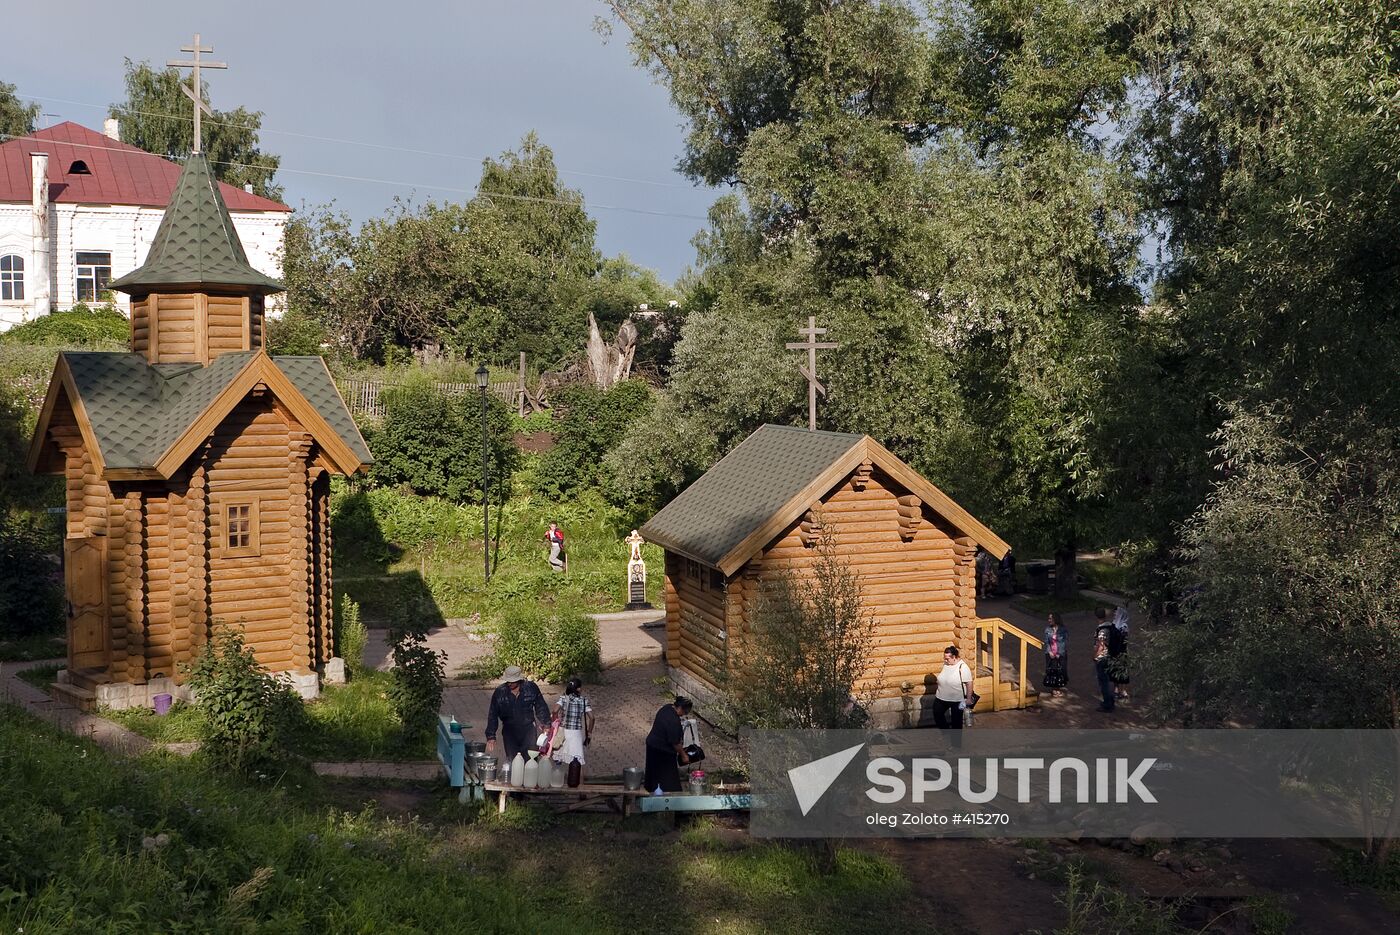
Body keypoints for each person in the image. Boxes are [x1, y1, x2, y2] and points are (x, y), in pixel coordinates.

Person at [485, 665, 551, 760]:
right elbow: (493, 714)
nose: (510, 684)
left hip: (528, 729)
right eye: (508, 681)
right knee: (513, 760)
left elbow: (541, 706)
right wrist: (491, 735)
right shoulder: (500, 692)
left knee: (531, 759)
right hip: (509, 730)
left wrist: (546, 724)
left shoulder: (531, 688)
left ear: (519, 680)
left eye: (512, 681)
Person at [644, 696, 693, 793]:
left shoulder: (667, 708)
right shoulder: (673, 721)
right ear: (680, 708)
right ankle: (670, 795)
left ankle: (651, 789)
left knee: (653, 772)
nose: (684, 715)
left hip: (652, 744)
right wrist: (684, 755)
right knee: (668, 777)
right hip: (663, 751)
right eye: (685, 712)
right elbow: (675, 743)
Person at [553, 677, 594, 781]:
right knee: (578, 760)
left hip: (563, 732)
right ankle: (581, 790)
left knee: (558, 759)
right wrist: (589, 732)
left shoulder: (563, 698)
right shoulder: (584, 701)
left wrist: (555, 722)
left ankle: (556, 783)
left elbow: (555, 710)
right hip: (576, 733)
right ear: (579, 689)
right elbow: (592, 717)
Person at [932, 646, 973, 731]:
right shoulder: (946, 664)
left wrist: (968, 699)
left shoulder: (963, 667)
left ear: (954, 657)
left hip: (957, 700)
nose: (945, 660)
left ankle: (955, 744)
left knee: (956, 723)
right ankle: (946, 733)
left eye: (947, 659)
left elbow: (969, 683)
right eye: (944, 658)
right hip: (941, 697)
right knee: (937, 713)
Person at [1092, 608, 1115, 713]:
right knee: (1108, 681)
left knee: (1103, 682)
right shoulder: (1110, 626)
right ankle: (1111, 701)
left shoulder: (1102, 629)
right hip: (1110, 656)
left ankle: (1107, 704)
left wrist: (1095, 656)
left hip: (1102, 658)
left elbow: (1101, 645)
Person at [1108, 606, 1130, 702]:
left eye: (1116, 613)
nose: (1114, 614)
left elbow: (1123, 641)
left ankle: (1123, 690)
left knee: (1123, 671)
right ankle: (1116, 689)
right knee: (1114, 671)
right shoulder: (1113, 625)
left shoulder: (1124, 627)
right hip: (1113, 651)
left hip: (1121, 652)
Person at [1043, 613, 1068, 697]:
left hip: (1060, 653)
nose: (1049, 620)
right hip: (1051, 653)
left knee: (1061, 670)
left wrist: (1059, 653)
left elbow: (1064, 642)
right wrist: (1050, 651)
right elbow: (1047, 642)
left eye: (1050, 619)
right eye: (1048, 618)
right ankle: (1054, 689)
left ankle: (1058, 687)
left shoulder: (1063, 629)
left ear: (1055, 619)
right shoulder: (1047, 630)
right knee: (1052, 670)